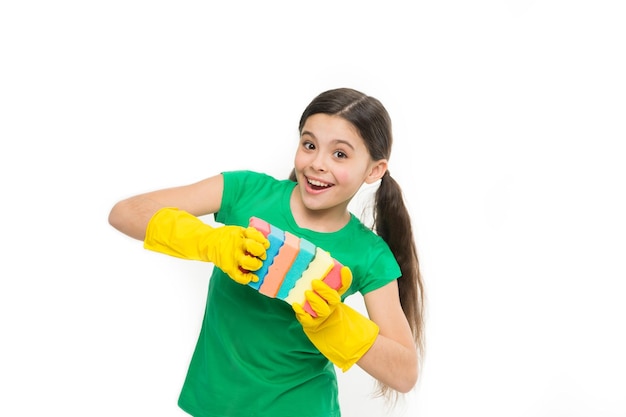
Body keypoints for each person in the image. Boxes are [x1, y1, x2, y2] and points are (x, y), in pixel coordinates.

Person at [108, 87, 425, 417]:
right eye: (309, 145)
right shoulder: (245, 192)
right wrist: (213, 243)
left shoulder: (370, 254)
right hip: (213, 407)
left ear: (374, 170)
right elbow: (125, 212)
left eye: (340, 154)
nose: (317, 163)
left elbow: (404, 373)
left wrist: (335, 322)